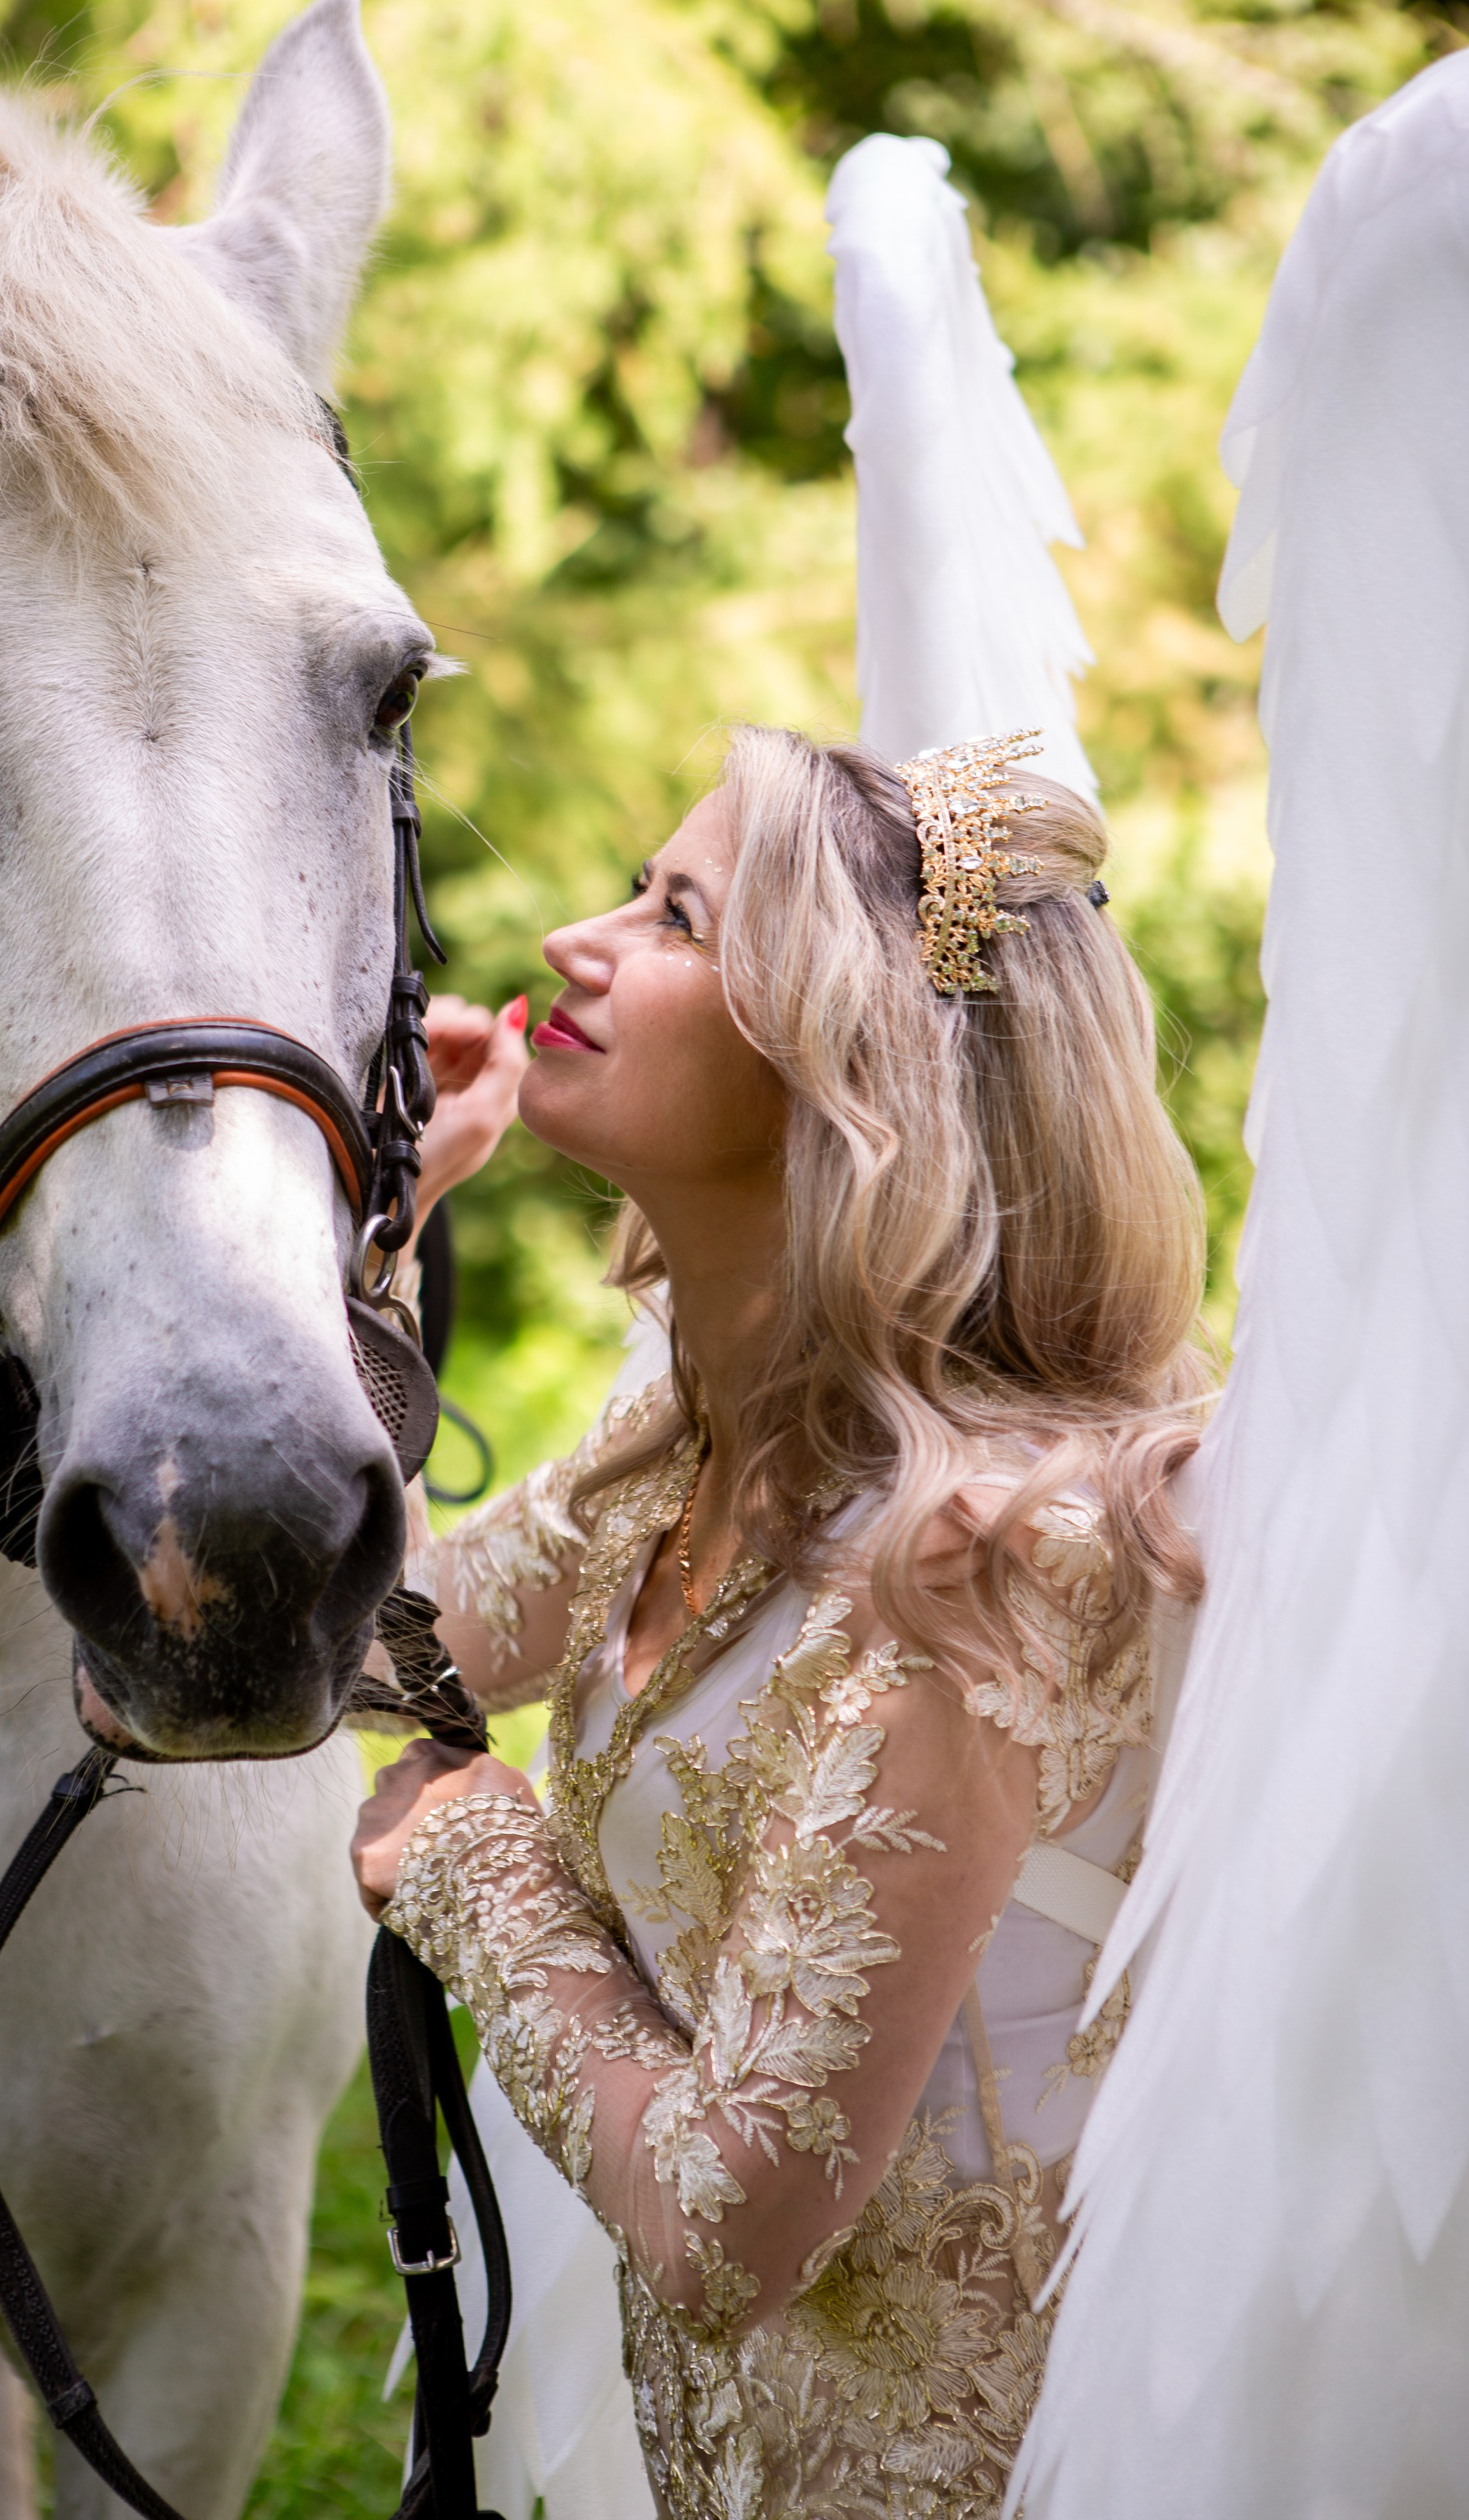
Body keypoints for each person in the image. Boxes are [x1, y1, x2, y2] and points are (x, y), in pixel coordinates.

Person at [354, 721, 1208, 2520]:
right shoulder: (669, 1454)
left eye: (673, 914)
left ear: (846, 1060)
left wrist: (469, 1859)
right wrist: (381, 1223)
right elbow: (342, 1636)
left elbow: (731, 2221)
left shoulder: (999, 1557)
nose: (577, 941)